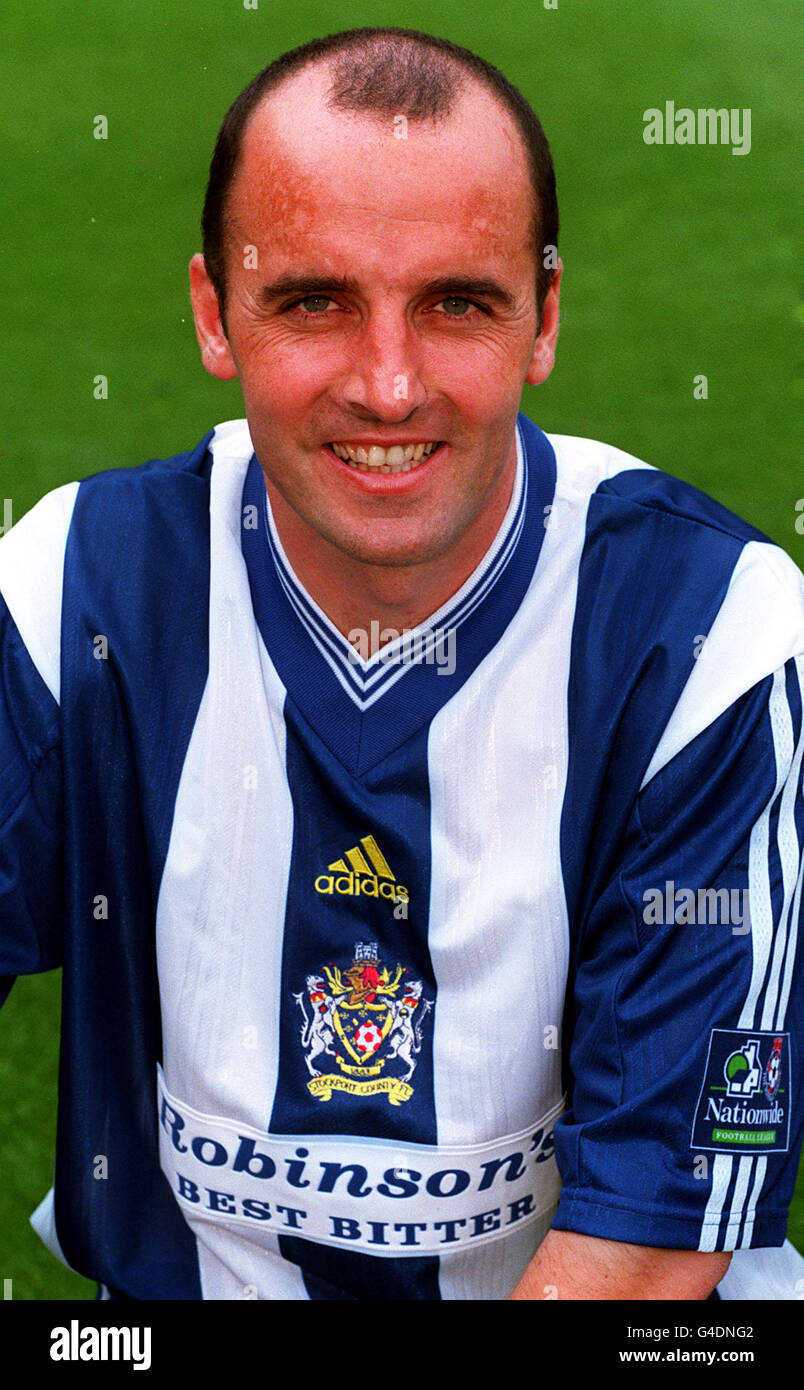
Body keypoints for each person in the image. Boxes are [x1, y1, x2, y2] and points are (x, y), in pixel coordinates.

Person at [1, 26, 802, 1302]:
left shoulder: (710, 633)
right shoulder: (73, 593)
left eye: (457, 305)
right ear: (215, 314)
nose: (387, 386)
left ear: (543, 318)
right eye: (314, 301)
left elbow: (657, 1229)